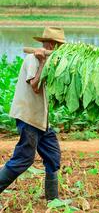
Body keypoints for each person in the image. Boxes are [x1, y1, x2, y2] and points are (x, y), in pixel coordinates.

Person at [0, 27, 65, 201]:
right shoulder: (32, 59)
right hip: (28, 117)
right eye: (59, 46)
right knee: (23, 159)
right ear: (52, 45)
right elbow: (35, 87)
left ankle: (53, 200)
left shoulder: (50, 62)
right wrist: (42, 61)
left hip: (41, 120)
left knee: (53, 155)